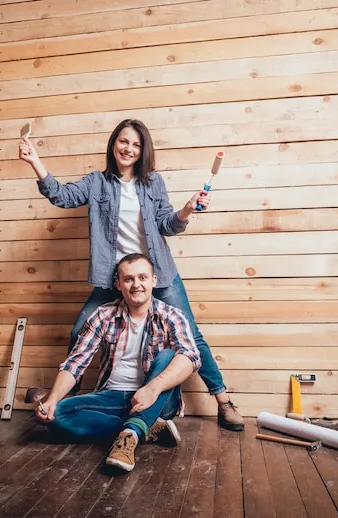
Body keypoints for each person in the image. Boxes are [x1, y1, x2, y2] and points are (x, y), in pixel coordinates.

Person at [19, 118, 243, 431]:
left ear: (142, 151)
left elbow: (168, 224)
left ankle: (223, 401)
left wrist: (187, 209)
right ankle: (67, 397)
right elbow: (62, 196)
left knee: (191, 336)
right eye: (124, 141)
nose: (129, 148)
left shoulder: (153, 183)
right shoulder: (97, 182)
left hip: (156, 274)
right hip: (114, 277)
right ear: (114, 144)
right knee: (80, 331)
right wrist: (36, 162)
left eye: (136, 145)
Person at [35, 253, 201, 472]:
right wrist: (52, 400)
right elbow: (76, 363)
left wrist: (152, 389)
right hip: (112, 396)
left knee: (170, 356)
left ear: (153, 280)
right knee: (56, 415)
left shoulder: (171, 315)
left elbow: (191, 356)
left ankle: (131, 434)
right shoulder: (103, 315)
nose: (136, 285)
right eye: (129, 279)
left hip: (157, 398)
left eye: (142, 277)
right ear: (118, 284)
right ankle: (145, 427)